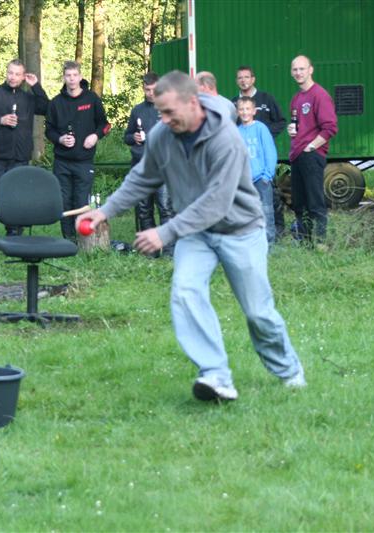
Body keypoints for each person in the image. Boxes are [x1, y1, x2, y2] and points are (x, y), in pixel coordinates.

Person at [76, 71, 305, 402]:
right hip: (196, 233)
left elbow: (217, 202)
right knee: (185, 292)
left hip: (240, 230)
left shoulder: (226, 139)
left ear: (193, 103)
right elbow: (143, 177)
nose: (164, 120)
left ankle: (289, 370)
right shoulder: (163, 134)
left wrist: (166, 231)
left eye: (170, 112)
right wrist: (105, 211)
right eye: (160, 112)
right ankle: (216, 374)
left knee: (258, 312)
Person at [0, 59, 49, 249]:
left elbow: (46, 108)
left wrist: (36, 86)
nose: (13, 77)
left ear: (23, 76)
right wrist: (0, 120)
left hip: (20, 157)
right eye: (10, 73)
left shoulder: (28, 98)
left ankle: (14, 239)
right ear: (6, 72)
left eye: (17, 74)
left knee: (16, 200)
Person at [45, 61, 111, 240]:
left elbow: (105, 125)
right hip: (62, 162)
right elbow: (48, 130)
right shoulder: (56, 103)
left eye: (75, 75)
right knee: (64, 202)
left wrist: (95, 136)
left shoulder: (91, 99)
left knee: (81, 202)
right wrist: (60, 139)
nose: (72, 79)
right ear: (64, 78)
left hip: (84, 162)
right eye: (68, 75)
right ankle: (68, 240)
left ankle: (83, 241)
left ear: (80, 77)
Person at [232, 65, 287, 239]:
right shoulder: (234, 104)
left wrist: (265, 137)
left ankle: (274, 235)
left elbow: (281, 122)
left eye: (246, 77)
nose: (243, 80)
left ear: (253, 79)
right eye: (240, 78)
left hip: (262, 170)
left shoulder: (266, 99)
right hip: (244, 176)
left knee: (269, 205)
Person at [287, 55, 338, 244]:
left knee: (315, 202)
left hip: (311, 155)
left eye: (302, 69)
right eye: (295, 69)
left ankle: (321, 241)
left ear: (311, 70)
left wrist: (311, 146)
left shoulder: (319, 95)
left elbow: (330, 127)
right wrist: (292, 130)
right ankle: (305, 242)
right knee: (299, 203)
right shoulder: (296, 98)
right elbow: (300, 125)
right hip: (297, 155)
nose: (298, 73)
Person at [124, 72, 174, 256]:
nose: (151, 93)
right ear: (143, 89)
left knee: (165, 208)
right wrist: (134, 137)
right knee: (144, 210)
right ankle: (150, 250)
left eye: (154, 89)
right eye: (147, 90)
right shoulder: (137, 110)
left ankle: (169, 250)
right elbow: (127, 137)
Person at [236, 96, 277, 244]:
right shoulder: (236, 131)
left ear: (254, 111)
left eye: (248, 109)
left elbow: (270, 152)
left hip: (261, 179)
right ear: (237, 112)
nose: (244, 112)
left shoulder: (261, 128)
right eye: (241, 109)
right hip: (244, 181)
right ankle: (251, 243)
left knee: (266, 211)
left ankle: (269, 243)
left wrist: (267, 175)